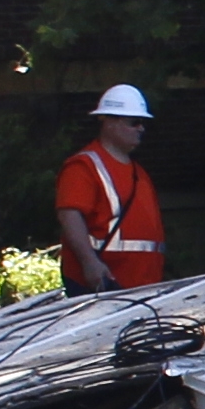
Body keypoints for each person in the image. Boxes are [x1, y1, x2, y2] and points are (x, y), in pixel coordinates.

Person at [54, 87, 165, 293]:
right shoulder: (84, 167)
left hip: (141, 287)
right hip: (103, 284)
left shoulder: (138, 173)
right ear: (110, 122)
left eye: (143, 123)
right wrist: (89, 262)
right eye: (134, 122)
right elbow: (69, 215)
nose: (141, 128)